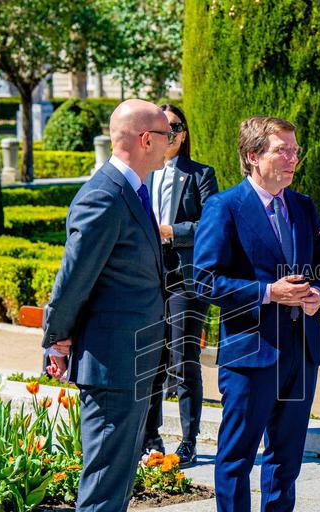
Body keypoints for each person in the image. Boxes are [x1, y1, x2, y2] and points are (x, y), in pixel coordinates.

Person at [42, 99, 173, 512]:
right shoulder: (103, 194)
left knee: (115, 490)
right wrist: (55, 335)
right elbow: (75, 278)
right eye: (167, 133)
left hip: (132, 361)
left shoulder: (131, 193)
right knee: (101, 490)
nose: (172, 141)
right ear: (143, 139)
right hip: (112, 365)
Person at [193, 115, 320, 512]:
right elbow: (204, 280)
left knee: (287, 452)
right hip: (250, 353)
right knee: (237, 454)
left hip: (301, 348)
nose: (294, 159)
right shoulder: (224, 207)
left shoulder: (304, 206)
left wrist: (319, 294)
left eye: (296, 151)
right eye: (283, 150)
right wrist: (267, 293)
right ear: (253, 156)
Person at [141, 104, 219, 467]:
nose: (167, 132)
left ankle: (189, 441)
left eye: (173, 126)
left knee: (184, 358)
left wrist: (173, 232)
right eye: (160, 126)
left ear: (183, 133)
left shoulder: (201, 174)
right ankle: (150, 437)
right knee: (152, 358)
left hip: (187, 278)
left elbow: (211, 227)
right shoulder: (145, 174)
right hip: (150, 276)